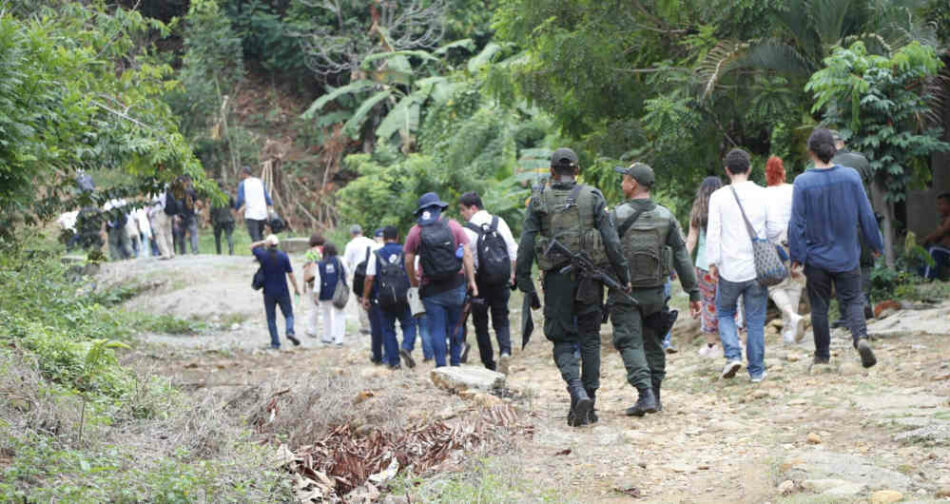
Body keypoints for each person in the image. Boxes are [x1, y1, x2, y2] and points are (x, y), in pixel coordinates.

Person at [515, 148, 630, 427]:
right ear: (576, 170)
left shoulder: (538, 199)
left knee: (562, 338)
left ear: (552, 171)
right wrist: (622, 275)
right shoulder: (592, 196)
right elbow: (612, 241)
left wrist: (524, 279)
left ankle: (577, 391)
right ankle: (589, 402)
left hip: (556, 280)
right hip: (591, 277)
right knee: (590, 337)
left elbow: (527, 242)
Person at [609, 163, 701, 417]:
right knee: (653, 341)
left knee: (629, 342)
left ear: (634, 184)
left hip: (624, 292)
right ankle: (656, 395)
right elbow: (681, 255)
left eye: (624, 179)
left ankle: (645, 394)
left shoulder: (616, 216)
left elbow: (603, 253)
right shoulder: (665, 216)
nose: (621, 183)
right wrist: (694, 293)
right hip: (656, 291)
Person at [789, 129, 884, 369]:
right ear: (834, 149)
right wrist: (875, 243)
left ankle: (822, 355)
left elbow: (797, 224)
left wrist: (796, 257)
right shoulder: (851, 177)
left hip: (816, 257)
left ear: (811, 152)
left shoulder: (803, 182)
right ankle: (860, 337)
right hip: (847, 254)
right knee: (853, 299)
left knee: (820, 306)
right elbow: (866, 214)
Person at [707, 148, 783, 383]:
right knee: (755, 320)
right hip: (757, 269)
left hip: (730, 268)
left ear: (727, 170)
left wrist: (713, 262)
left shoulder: (718, 197)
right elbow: (775, 229)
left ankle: (732, 355)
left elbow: (714, 233)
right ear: (749, 168)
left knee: (725, 311)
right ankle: (757, 371)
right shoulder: (763, 194)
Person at [404, 192, 478, 368]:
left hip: (430, 287)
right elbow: (467, 254)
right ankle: (455, 364)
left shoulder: (415, 231)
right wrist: (472, 281)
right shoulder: (454, 226)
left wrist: (414, 281)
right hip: (456, 283)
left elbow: (408, 260)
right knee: (455, 325)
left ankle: (441, 366)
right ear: (439, 209)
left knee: (436, 328)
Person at [459, 192, 518, 375]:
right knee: (501, 318)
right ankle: (505, 351)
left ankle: (489, 363)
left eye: (463, 210)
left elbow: (467, 259)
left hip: (480, 282)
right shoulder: (499, 222)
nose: (462, 214)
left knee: (481, 323)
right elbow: (513, 250)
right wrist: (512, 274)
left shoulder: (467, 230)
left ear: (473, 208)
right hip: (501, 279)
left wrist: (470, 282)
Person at [831, 131, 877, 323]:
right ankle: (864, 302)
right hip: (861, 222)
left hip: (834, 227)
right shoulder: (861, 161)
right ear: (843, 142)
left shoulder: (817, 166)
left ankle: (845, 315)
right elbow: (868, 187)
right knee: (865, 264)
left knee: (841, 268)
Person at [362, 226, 417, 369]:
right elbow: (414, 273)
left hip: (384, 298)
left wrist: (365, 297)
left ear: (384, 238)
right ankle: (406, 346)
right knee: (409, 324)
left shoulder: (376, 254)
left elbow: (369, 278)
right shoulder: (406, 252)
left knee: (388, 328)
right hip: (404, 296)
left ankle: (394, 362)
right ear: (398, 237)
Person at [764, 156, 805, 344]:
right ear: (783, 173)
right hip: (794, 242)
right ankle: (791, 326)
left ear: (767, 174)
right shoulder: (793, 190)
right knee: (795, 283)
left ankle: (790, 319)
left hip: (773, 245)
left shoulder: (762, 195)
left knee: (775, 287)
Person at [686, 177, 724, 358]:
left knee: (708, 304)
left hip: (703, 264)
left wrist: (683, 263)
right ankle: (735, 340)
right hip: (726, 264)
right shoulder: (726, 206)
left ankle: (711, 345)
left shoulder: (697, 211)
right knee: (730, 302)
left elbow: (691, 240)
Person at [251, 234, 301, 350]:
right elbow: (290, 274)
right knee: (288, 314)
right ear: (277, 244)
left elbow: (252, 247)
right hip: (283, 290)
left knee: (271, 318)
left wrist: (263, 242)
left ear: (268, 244)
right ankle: (290, 331)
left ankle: (275, 343)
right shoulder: (283, 256)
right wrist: (296, 288)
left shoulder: (262, 255)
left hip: (268, 291)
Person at [344, 224, 378, 336]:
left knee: (360, 299)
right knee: (372, 297)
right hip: (372, 273)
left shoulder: (351, 245)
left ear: (351, 234)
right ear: (361, 232)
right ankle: (375, 322)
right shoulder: (372, 242)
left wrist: (347, 277)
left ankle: (366, 325)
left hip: (358, 275)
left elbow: (347, 263)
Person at [312, 242, 347, 346]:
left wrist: (315, 295)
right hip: (338, 292)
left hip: (325, 292)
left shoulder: (320, 264)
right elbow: (347, 272)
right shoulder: (340, 260)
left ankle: (327, 337)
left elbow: (317, 281)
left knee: (326, 315)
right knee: (339, 314)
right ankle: (339, 339)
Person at [235, 165, 273, 242]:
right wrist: (270, 204)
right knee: (260, 235)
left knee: (254, 236)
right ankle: (262, 252)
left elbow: (240, 199)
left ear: (244, 174)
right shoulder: (260, 182)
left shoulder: (243, 184)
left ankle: (258, 252)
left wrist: (236, 208)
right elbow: (266, 196)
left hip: (251, 214)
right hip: (262, 213)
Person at [921, 193, 950, 280]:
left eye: (941, 204)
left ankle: (928, 280)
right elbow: (936, 238)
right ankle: (919, 277)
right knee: (924, 252)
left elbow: (939, 234)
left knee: (933, 250)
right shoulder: (944, 219)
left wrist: (926, 239)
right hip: (946, 253)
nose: (939, 207)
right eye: (938, 204)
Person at [302, 233, 325, 338]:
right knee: (327, 307)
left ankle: (312, 330)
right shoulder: (326, 250)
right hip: (325, 281)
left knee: (313, 306)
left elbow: (307, 269)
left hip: (312, 282)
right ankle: (329, 331)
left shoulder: (310, 253)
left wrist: (303, 283)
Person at [175, 175, 200, 255]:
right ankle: (194, 250)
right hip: (191, 214)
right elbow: (195, 201)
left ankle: (183, 252)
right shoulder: (191, 191)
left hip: (181, 216)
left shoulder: (177, 192)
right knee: (193, 233)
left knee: (181, 235)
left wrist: (178, 214)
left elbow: (177, 204)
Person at [211, 181, 236, 255]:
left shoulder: (215, 195)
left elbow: (212, 208)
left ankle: (219, 252)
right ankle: (231, 251)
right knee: (229, 235)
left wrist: (211, 218)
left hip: (218, 219)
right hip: (228, 218)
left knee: (217, 237)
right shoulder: (229, 195)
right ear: (224, 186)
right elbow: (233, 205)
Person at [152, 188, 177, 259]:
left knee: (159, 232)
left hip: (159, 211)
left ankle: (165, 253)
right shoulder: (167, 187)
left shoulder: (156, 188)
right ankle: (171, 251)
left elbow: (154, 199)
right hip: (168, 212)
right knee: (168, 232)